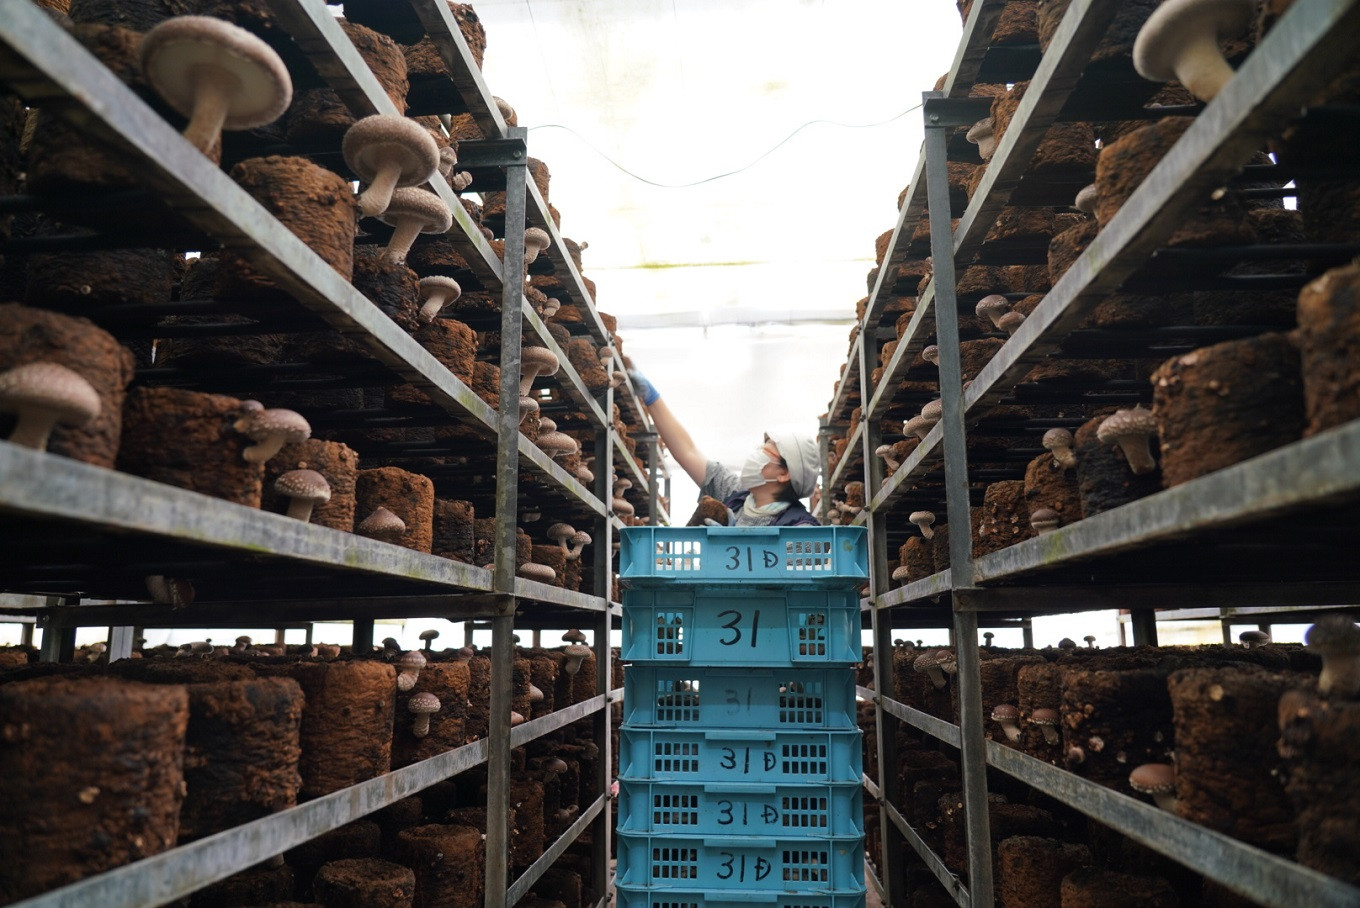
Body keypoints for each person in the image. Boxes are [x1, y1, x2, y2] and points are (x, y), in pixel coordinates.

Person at [628, 367, 821, 526]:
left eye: (766, 450)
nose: (757, 454)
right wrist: (652, 399)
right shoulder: (734, 494)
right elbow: (688, 451)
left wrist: (731, 543)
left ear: (784, 474)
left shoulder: (800, 528)